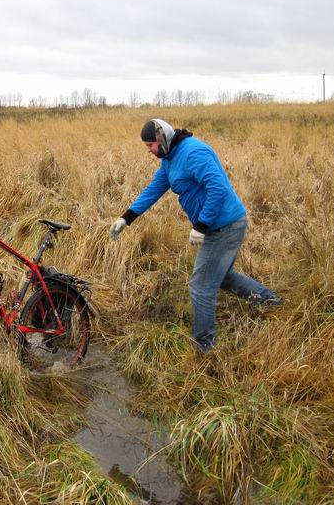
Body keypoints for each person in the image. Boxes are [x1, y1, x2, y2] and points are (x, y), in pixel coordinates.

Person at [109, 119, 280, 353]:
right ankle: (269, 301)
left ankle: (205, 348)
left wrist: (201, 225)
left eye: (150, 144)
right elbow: (154, 189)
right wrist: (126, 217)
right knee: (223, 278)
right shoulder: (169, 160)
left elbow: (218, 188)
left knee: (200, 286)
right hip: (219, 226)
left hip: (226, 226)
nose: (148, 150)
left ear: (163, 138)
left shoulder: (193, 153)